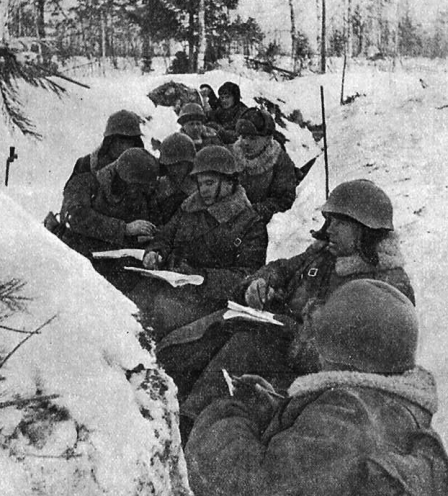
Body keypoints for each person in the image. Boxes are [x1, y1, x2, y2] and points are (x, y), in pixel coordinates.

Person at [168, 179, 415, 424]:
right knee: (212, 333)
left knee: (244, 348)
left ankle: (190, 422)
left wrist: (293, 331)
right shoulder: (323, 255)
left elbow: (362, 363)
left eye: (340, 223)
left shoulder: (388, 285)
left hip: (322, 384)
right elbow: (282, 268)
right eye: (330, 221)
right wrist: (263, 282)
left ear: (365, 230)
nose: (329, 230)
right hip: (278, 345)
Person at [185, 279, 448, 496]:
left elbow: (239, 482)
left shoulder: (346, 416)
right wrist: (277, 409)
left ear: (343, 353)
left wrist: (231, 411)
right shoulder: (393, 405)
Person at [129, 146, 268, 341]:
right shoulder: (189, 206)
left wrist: (201, 277)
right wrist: (156, 252)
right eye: (200, 184)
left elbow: (247, 276)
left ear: (229, 181)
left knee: (156, 327)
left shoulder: (250, 223)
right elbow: (166, 236)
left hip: (207, 301)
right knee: (126, 309)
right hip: (168, 285)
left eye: (209, 183)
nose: (203, 191)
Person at [60, 147, 159, 260]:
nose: (137, 192)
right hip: (73, 254)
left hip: (109, 256)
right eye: (135, 186)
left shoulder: (131, 191)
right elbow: (76, 217)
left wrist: (138, 238)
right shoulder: (84, 181)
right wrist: (124, 229)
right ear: (124, 178)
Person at [232, 107, 297, 223]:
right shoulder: (232, 155)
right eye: (243, 137)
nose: (246, 143)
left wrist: (256, 211)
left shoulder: (279, 160)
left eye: (253, 138)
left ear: (268, 139)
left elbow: (284, 199)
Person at [67, 109, 144, 182]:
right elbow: (71, 192)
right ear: (110, 141)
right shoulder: (86, 164)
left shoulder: (142, 169)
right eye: (121, 140)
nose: (126, 147)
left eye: (130, 141)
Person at [153, 132, 197, 225]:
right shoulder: (159, 186)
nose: (175, 169)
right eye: (171, 165)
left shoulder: (198, 187)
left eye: (180, 164)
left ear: (189, 164)